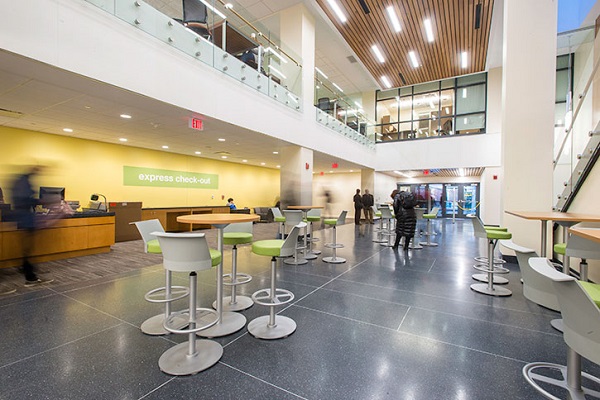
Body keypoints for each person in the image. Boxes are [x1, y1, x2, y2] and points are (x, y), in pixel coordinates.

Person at [11, 166, 53, 286]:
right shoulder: (24, 182)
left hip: (24, 217)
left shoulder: (22, 180)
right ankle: (30, 277)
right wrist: (43, 201)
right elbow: (25, 201)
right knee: (28, 247)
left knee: (27, 247)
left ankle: (27, 268)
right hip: (25, 218)